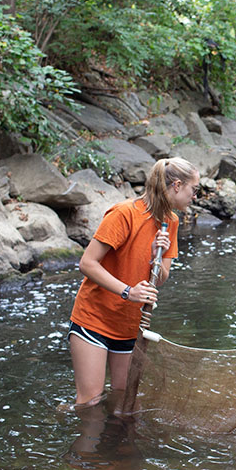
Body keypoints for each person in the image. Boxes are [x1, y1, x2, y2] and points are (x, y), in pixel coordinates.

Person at [66, 157, 200, 408]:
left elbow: (160, 279)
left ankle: (120, 447)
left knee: (124, 402)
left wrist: (153, 258)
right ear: (178, 186)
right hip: (94, 318)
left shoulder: (170, 221)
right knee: (90, 403)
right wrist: (128, 291)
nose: (195, 196)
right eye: (195, 189)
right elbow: (87, 263)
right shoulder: (125, 213)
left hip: (130, 325)